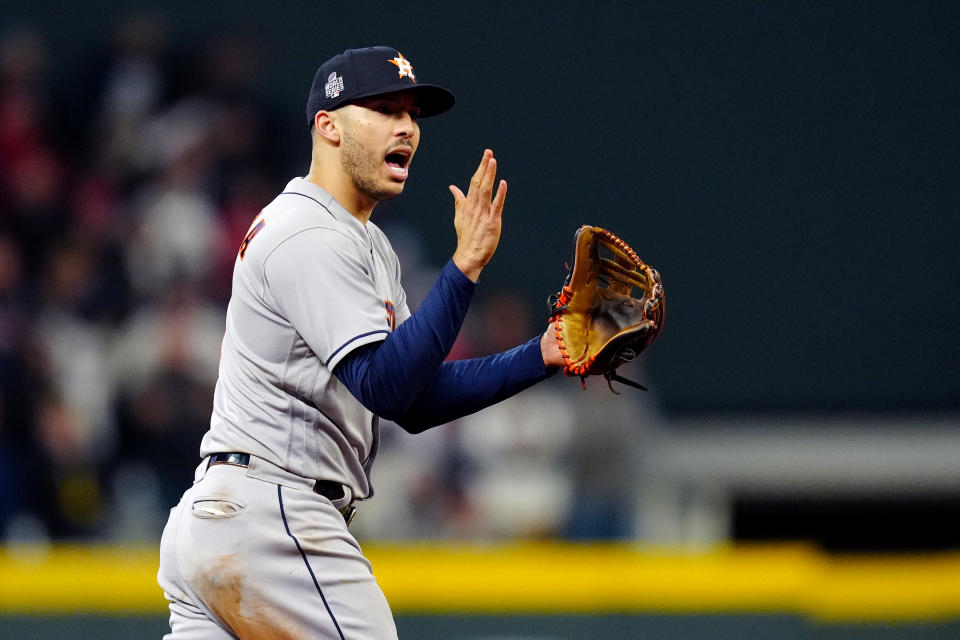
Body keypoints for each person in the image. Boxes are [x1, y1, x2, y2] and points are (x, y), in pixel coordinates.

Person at [157, 45, 565, 639]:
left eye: (411, 115)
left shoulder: (363, 243)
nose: (405, 127)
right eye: (383, 108)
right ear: (328, 126)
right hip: (277, 515)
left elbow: (414, 400)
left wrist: (542, 354)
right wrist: (466, 265)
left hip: (225, 521)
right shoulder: (307, 231)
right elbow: (388, 386)